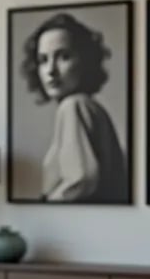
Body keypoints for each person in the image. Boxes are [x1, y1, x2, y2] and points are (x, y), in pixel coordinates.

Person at [21, 12, 128, 202]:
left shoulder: (74, 106)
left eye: (63, 56)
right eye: (43, 60)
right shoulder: (90, 107)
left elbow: (82, 179)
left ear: (85, 61)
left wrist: (46, 208)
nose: (51, 70)